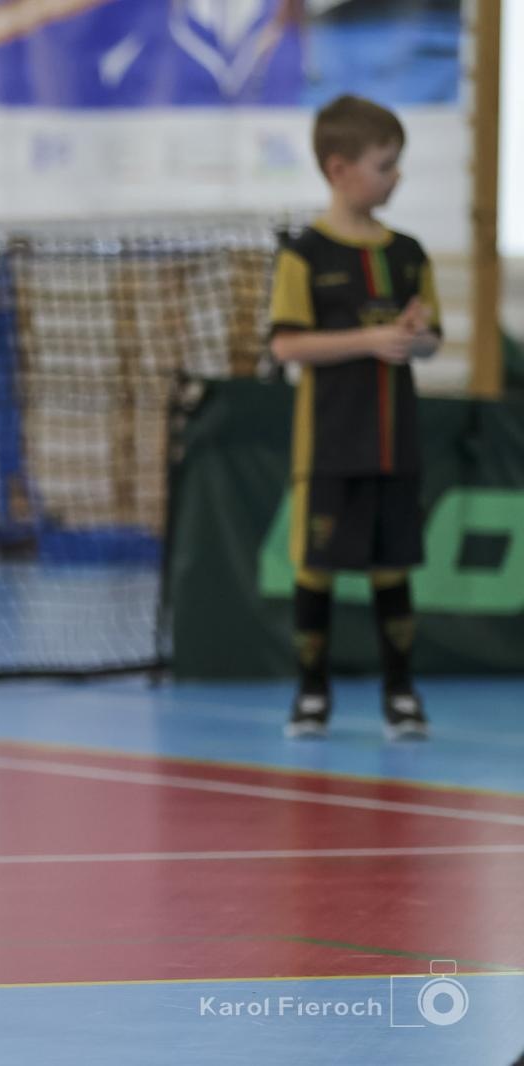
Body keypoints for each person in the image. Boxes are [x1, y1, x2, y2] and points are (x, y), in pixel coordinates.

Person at [267, 93, 440, 741]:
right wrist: (368, 341)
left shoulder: (410, 253)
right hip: (330, 446)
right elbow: (285, 345)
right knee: (317, 565)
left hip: (397, 444)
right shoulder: (304, 254)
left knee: (393, 567)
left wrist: (412, 337)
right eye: (385, 164)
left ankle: (401, 692)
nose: (396, 176)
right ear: (340, 170)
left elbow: (430, 339)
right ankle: (312, 693)